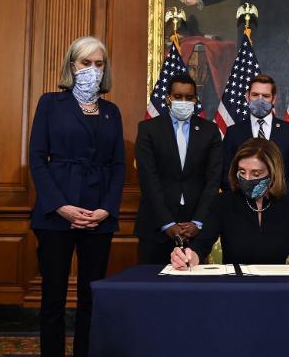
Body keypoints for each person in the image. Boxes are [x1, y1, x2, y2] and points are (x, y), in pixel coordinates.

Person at [29, 36, 125, 357]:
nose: (93, 70)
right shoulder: (49, 103)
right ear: (72, 65)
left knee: (91, 298)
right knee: (53, 300)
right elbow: (37, 158)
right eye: (86, 63)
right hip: (56, 213)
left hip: (98, 215)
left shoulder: (112, 111)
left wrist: (105, 210)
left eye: (99, 64)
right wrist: (61, 206)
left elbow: (118, 166)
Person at [171, 138, 289, 269]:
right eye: (242, 172)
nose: (247, 179)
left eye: (256, 174)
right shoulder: (222, 202)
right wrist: (189, 257)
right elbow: (201, 245)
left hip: (277, 287)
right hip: (235, 287)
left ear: (273, 173)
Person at [135, 73, 222, 264]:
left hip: (195, 227)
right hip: (156, 225)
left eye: (189, 97)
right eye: (178, 96)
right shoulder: (148, 129)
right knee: (152, 287)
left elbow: (214, 179)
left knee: (193, 290)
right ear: (168, 98)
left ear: (195, 100)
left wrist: (198, 222)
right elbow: (148, 179)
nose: (183, 101)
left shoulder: (210, 131)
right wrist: (167, 223)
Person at [221, 74, 289, 196]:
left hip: (278, 204)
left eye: (266, 96)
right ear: (247, 97)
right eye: (255, 95)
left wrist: (277, 195)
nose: (260, 100)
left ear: (273, 99)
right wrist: (244, 196)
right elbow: (225, 174)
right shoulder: (233, 132)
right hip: (242, 206)